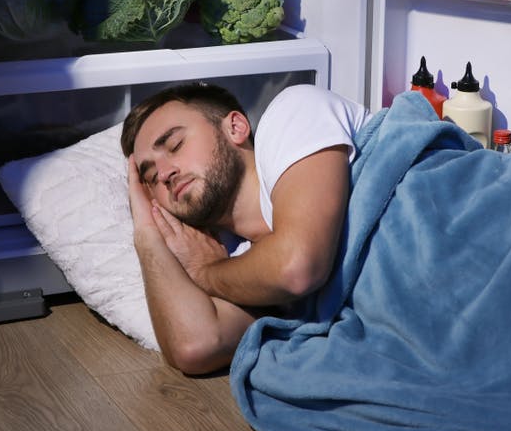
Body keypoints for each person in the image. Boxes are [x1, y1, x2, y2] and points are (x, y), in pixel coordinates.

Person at [120, 81, 370, 374]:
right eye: (150, 177)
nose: (164, 173)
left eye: (175, 145)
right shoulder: (239, 263)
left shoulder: (292, 115)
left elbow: (296, 268)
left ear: (235, 127)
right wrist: (146, 235)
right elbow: (195, 346)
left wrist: (204, 272)